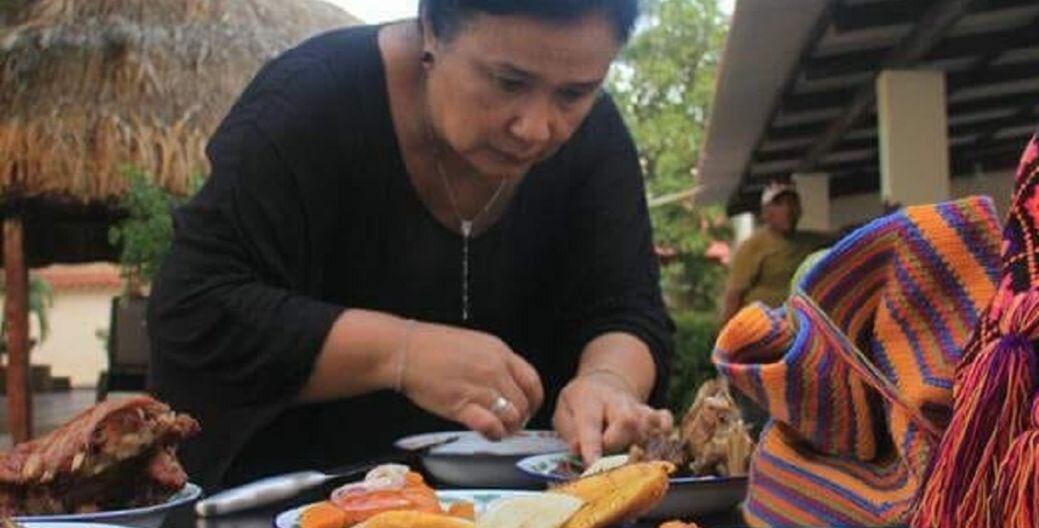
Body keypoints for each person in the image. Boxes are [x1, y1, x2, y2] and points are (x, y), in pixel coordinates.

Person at [148, 0, 674, 488]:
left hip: (526, 518)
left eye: (574, 94)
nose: (536, 128)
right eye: (508, 82)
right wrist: (402, 352)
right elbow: (194, 310)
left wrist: (609, 382)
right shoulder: (308, 103)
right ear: (432, 30)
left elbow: (627, 308)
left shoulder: (597, 139)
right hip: (284, 518)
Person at [717, 183, 829, 327]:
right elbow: (734, 295)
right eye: (779, 204)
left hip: (797, 325)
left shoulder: (809, 242)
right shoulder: (753, 246)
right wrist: (727, 331)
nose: (787, 210)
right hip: (762, 326)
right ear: (765, 212)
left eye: (791, 203)